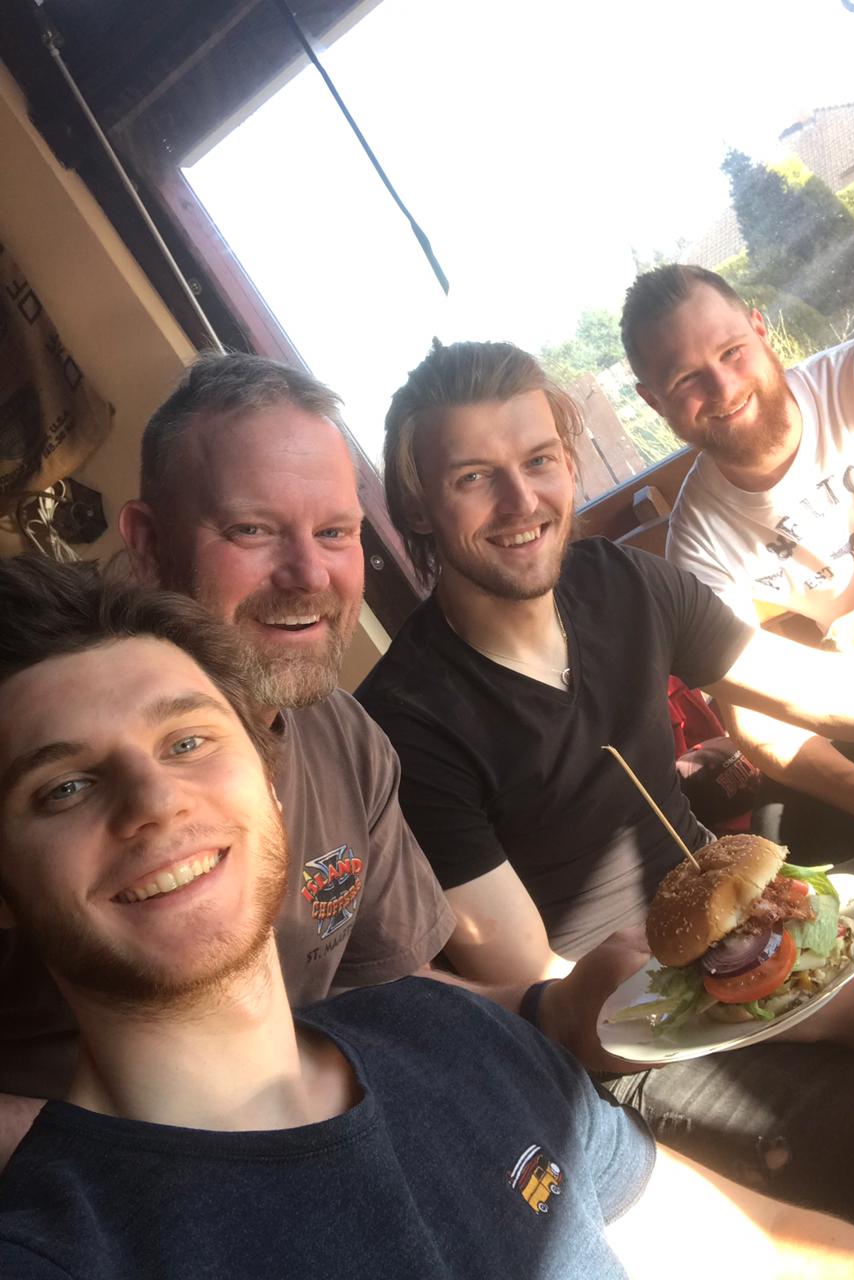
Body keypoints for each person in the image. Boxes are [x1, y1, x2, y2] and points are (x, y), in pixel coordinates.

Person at [0, 559, 854, 1280]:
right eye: (64, 787)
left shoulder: (450, 1031)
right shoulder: (60, 1250)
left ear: (272, 785)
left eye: (188, 741)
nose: (155, 803)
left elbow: (763, 1249)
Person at [356, 336, 854, 1264]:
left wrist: (806, 967)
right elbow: (553, 989)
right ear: (418, 509)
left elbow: (823, 690)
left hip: (762, 927)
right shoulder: (406, 723)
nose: (521, 502)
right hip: (641, 1039)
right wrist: (823, 1005)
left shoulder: (621, 582)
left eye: (539, 461)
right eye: (474, 478)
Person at [0, 353, 646, 1164]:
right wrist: (116, 1161)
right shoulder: (30, 779)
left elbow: (394, 989)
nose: (308, 575)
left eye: (335, 532)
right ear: (150, 544)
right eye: (253, 530)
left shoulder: (344, 735)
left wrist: (558, 1009)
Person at [620, 263, 854, 862]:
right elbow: (757, 724)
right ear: (653, 401)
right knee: (785, 840)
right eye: (686, 379)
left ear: (760, 329)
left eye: (732, 352)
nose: (723, 388)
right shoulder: (697, 540)